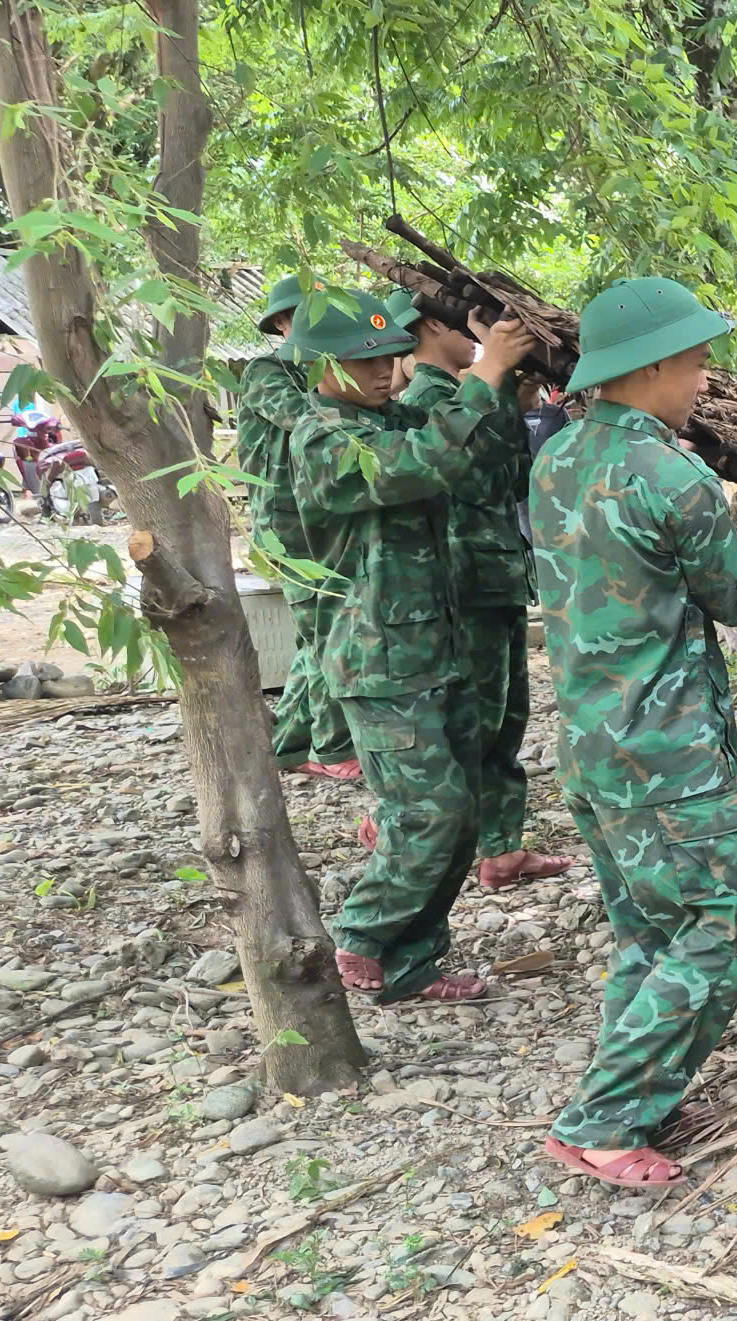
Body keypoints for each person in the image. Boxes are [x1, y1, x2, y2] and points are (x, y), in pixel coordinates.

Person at [529, 276, 737, 1190]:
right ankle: (598, 1120)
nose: (703, 379)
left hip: (592, 744)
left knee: (651, 933)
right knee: (726, 923)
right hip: (667, 755)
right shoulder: (673, 475)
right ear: (655, 363)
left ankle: (638, 1099)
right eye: (697, 360)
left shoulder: (554, 459)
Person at [277, 288, 529, 1003]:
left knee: (462, 812)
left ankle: (413, 963)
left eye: (392, 356)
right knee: (432, 813)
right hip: (377, 661)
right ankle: (362, 931)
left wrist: (505, 374)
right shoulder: (322, 435)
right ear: (321, 363)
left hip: (432, 649)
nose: (388, 372)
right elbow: (415, 461)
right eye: (369, 362)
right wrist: (485, 372)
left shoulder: (387, 415)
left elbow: (469, 449)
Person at [393, 298, 570, 890]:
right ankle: (442, 844)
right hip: (465, 583)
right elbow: (468, 476)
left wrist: (514, 406)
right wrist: (494, 393)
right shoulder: (427, 402)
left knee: (504, 720)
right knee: (472, 721)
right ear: (433, 327)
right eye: (461, 328)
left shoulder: (462, 395)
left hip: (494, 578)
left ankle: (501, 845)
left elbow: (512, 477)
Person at [239, 275, 358, 781]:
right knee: (328, 629)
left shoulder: (328, 371)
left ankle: (290, 743)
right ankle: (331, 748)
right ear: (283, 323)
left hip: (322, 517)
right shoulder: (267, 371)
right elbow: (309, 417)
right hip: (287, 523)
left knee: (317, 633)